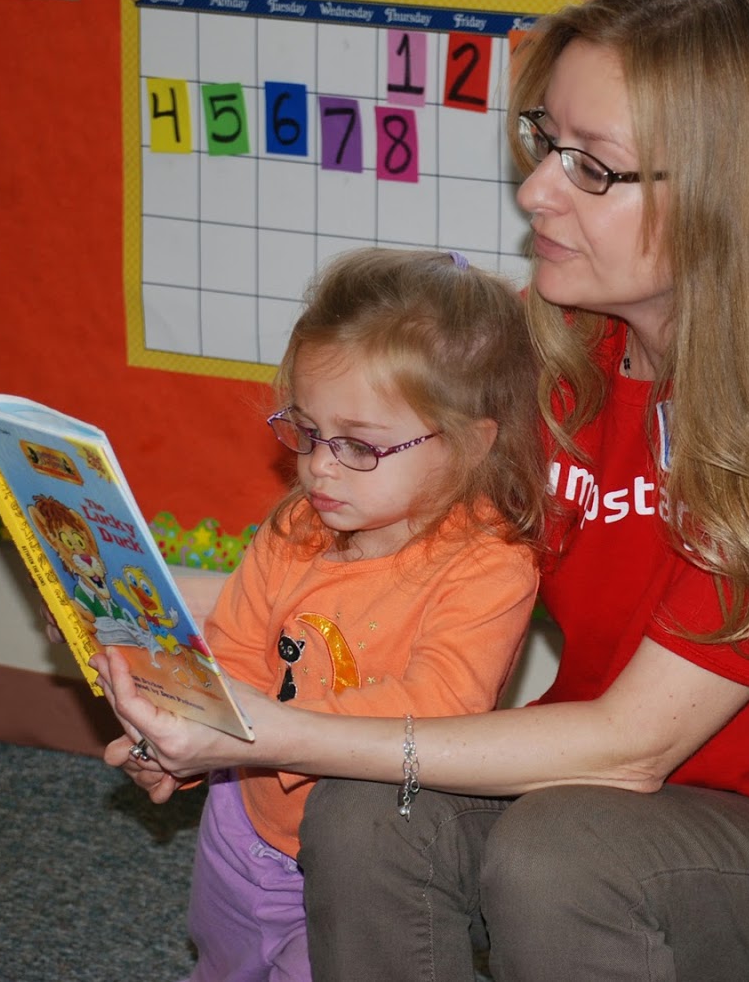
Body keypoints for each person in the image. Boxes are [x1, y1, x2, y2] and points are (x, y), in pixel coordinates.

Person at [95, 0, 749, 982]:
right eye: (546, 144)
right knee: (361, 811)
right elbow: (381, 572)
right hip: (596, 790)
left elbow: (629, 748)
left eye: (594, 168)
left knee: (556, 861)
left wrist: (263, 731)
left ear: (731, 196)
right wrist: (154, 630)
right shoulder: (566, 356)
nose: (536, 192)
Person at [163, 248, 546, 982]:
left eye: (359, 446)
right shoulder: (296, 527)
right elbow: (236, 649)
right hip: (241, 821)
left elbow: (440, 706)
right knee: (223, 961)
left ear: (473, 442)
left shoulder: (489, 565)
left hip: (351, 861)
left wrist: (260, 728)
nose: (319, 467)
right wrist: (182, 731)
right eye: (306, 432)